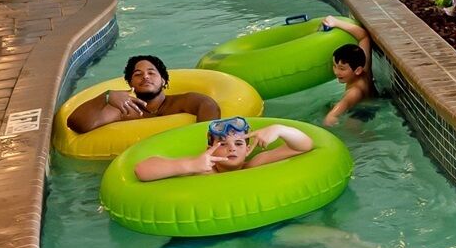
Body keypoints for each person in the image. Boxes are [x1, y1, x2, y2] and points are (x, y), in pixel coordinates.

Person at [65, 53, 219, 136]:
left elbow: (207, 105)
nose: (145, 77)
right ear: (131, 84)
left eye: (151, 73)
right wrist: (106, 96)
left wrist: (206, 139)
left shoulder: (181, 102)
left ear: (164, 81)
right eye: (138, 74)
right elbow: (77, 124)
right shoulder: (125, 110)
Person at [131, 115, 314, 181]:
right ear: (209, 148)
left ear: (248, 149)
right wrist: (190, 166)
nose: (231, 148)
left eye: (239, 143)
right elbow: (142, 170)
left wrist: (279, 129)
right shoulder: (202, 169)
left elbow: (304, 146)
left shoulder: (254, 164)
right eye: (222, 144)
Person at [320, 16, 376, 127]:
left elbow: (345, 102)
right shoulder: (363, 66)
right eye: (334, 66)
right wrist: (335, 22)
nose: (336, 72)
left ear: (357, 70)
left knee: (351, 128)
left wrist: (332, 115)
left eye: (342, 68)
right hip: (371, 100)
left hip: (363, 111)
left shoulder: (355, 90)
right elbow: (363, 37)